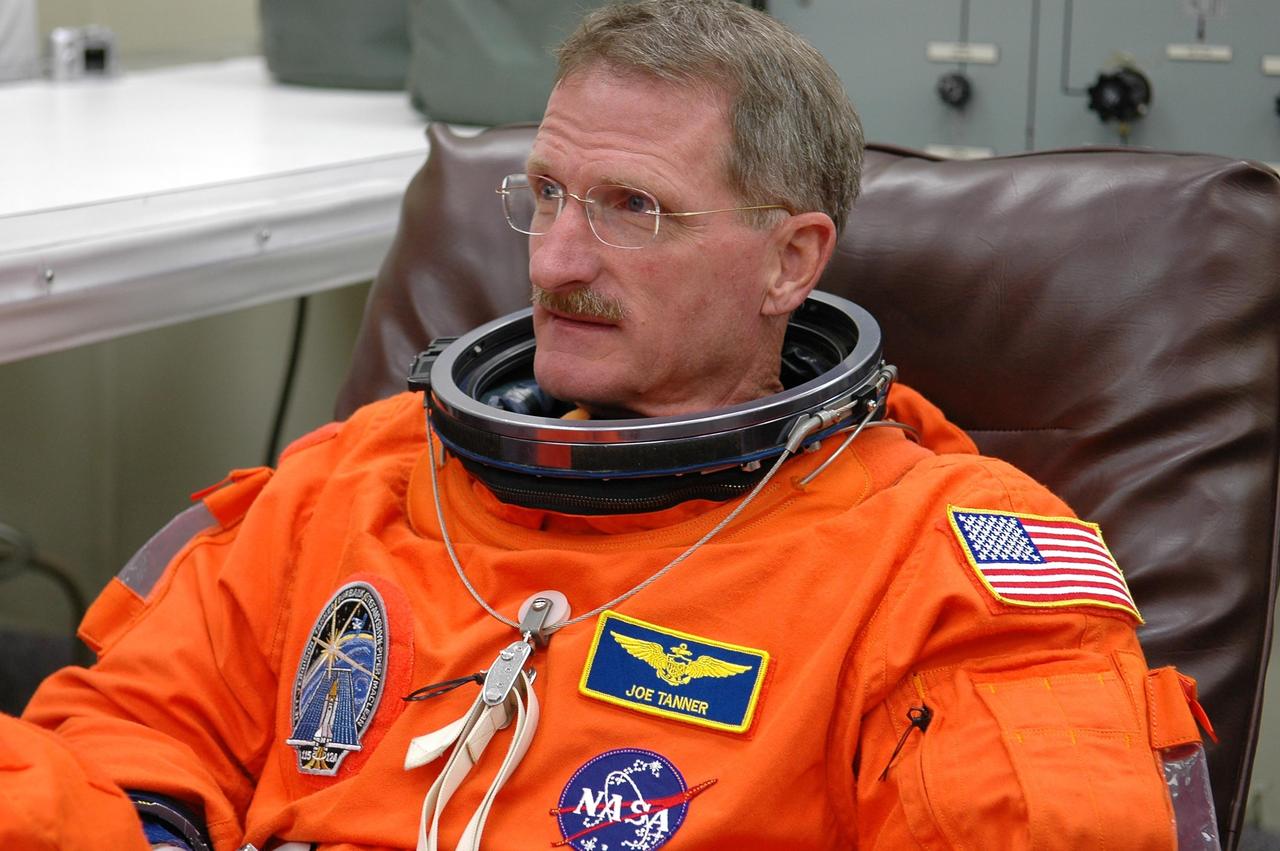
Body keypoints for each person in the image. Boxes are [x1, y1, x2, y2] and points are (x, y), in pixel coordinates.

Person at [0, 2, 1213, 849]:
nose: (556, 259)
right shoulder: (358, 479)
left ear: (788, 260)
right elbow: (126, 744)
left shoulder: (945, 560)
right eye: (545, 196)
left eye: (632, 206)